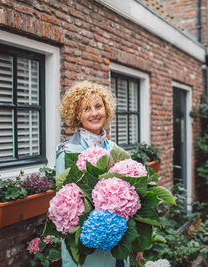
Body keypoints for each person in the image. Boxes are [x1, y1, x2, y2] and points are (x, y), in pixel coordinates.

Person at [56, 81, 128, 267]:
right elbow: (66, 205)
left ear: (106, 109)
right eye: (86, 109)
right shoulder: (67, 151)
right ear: (77, 115)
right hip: (87, 246)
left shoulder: (115, 150)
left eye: (98, 106)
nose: (94, 113)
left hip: (118, 242)